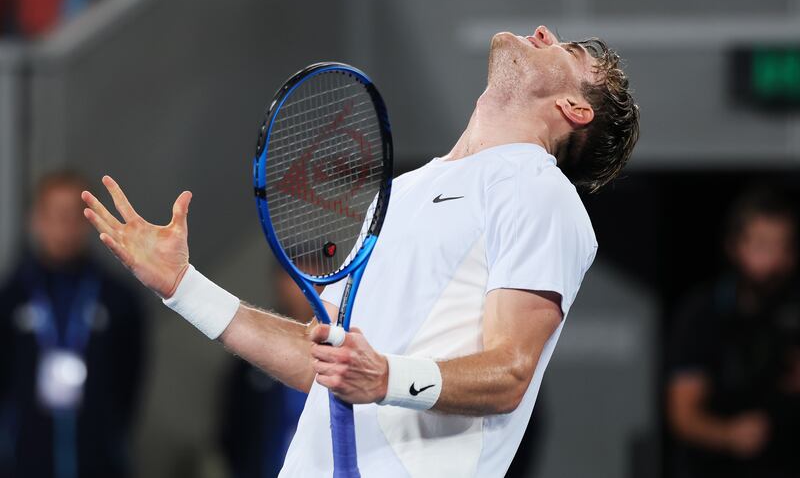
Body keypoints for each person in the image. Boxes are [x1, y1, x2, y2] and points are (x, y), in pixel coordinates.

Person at [81, 24, 639, 477]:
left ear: (575, 109)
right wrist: (185, 287)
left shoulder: (540, 191)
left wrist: (387, 379)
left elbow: (511, 373)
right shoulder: (405, 190)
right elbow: (320, 360)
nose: (542, 32)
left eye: (568, 52)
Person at [0, 170, 146, 478]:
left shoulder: (118, 298)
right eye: (56, 214)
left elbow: (130, 379)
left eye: (74, 216)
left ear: (88, 222)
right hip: (24, 459)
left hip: (99, 459)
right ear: (36, 219)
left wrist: (109, 433)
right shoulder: (11, 298)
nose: (65, 226)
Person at [667, 189, 800, 478]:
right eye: (763, 246)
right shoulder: (704, 313)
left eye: (785, 247)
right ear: (735, 246)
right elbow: (683, 414)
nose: (775, 261)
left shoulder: (792, 308)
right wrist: (730, 435)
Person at [218, 265, 314, 478]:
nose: (304, 287)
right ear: (279, 282)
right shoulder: (248, 361)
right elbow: (232, 431)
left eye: (313, 275)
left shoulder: (346, 349)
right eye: (294, 277)